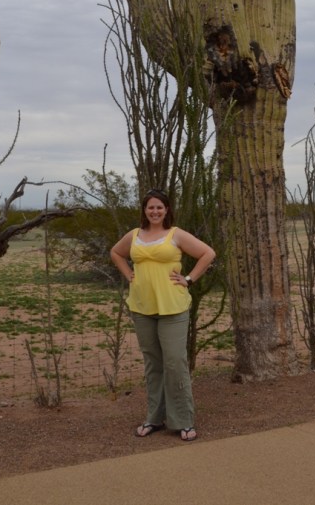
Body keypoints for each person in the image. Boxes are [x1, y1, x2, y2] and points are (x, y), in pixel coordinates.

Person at [110, 188, 216, 442]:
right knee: (152, 364)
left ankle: (183, 420)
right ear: (144, 210)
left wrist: (188, 279)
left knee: (174, 363)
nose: (155, 211)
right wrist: (129, 275)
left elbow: (208, 253)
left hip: (173, 307)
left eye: (159, 207)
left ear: (166, 210)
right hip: (142, 307)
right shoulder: (134, 235)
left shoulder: (175, 234)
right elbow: (115, 253)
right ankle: (154, 418)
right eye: (150, 207)